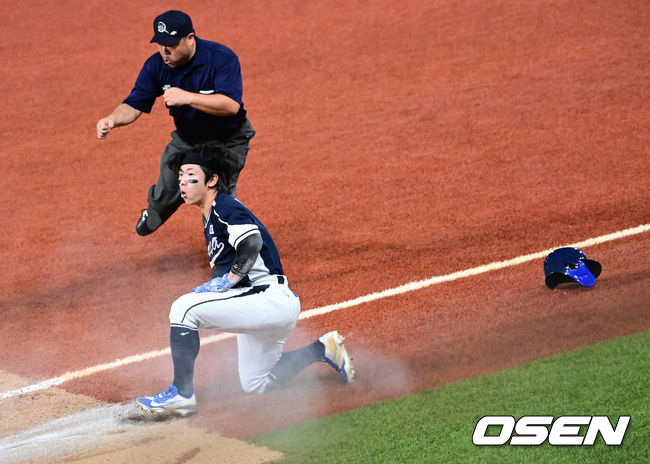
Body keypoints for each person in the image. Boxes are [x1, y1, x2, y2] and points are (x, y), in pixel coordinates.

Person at [136, 147, 355, 415]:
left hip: (266, 299)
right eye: (180, 175)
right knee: (256, 383)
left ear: (212, 180)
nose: (182, 181)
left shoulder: (224, 206)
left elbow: (252, 244)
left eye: (190, 175)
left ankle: (181, 395)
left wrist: (227, 280)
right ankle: (322, 348)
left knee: (183, 309)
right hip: (265, 307)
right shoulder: (210, 217)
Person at [96, 10, 255, 236]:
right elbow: (134, 104)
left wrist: (187, 96)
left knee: (216, 198)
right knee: (167, 191)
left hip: (228, 139)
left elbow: (231, 106)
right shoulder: (156, 65)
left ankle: (224, 249)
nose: (164, 51)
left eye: (170, 44)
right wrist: (112, 119)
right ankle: (156, 211)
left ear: (190, 39)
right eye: (160, 44)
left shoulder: (220, 58)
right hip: (187, 139)